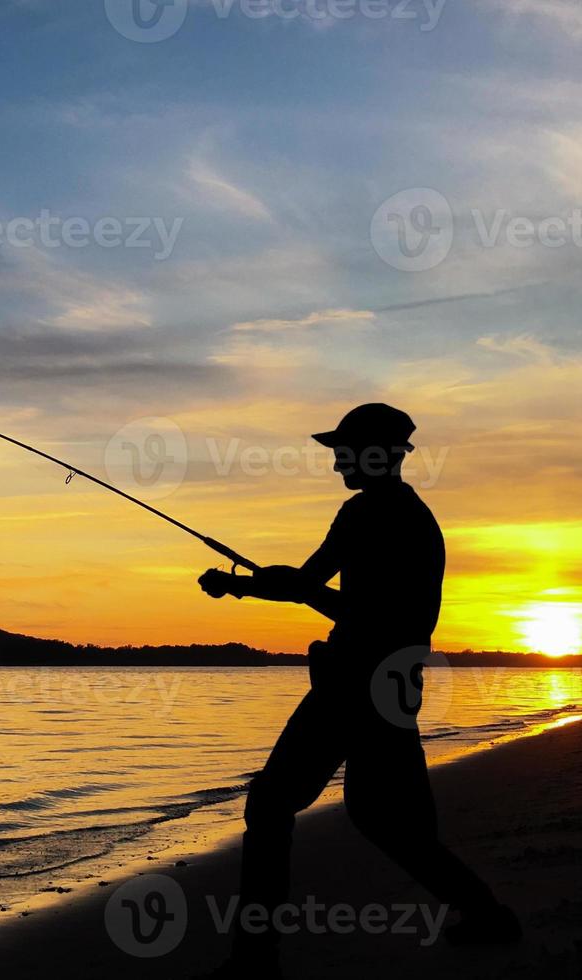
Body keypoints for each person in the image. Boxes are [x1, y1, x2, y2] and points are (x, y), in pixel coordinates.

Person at [196, 404, 520, 979]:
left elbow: (332, 598)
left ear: (378, 453)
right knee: (384, 821)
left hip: (355, 685)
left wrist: (247, 587)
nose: (338, 461)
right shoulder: (414, 516)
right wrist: (256, 585)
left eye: (345, 450)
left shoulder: (367, 513)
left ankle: (254, 961)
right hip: (394, 685)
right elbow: (312, 583)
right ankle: (485, 913)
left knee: (271, 805)